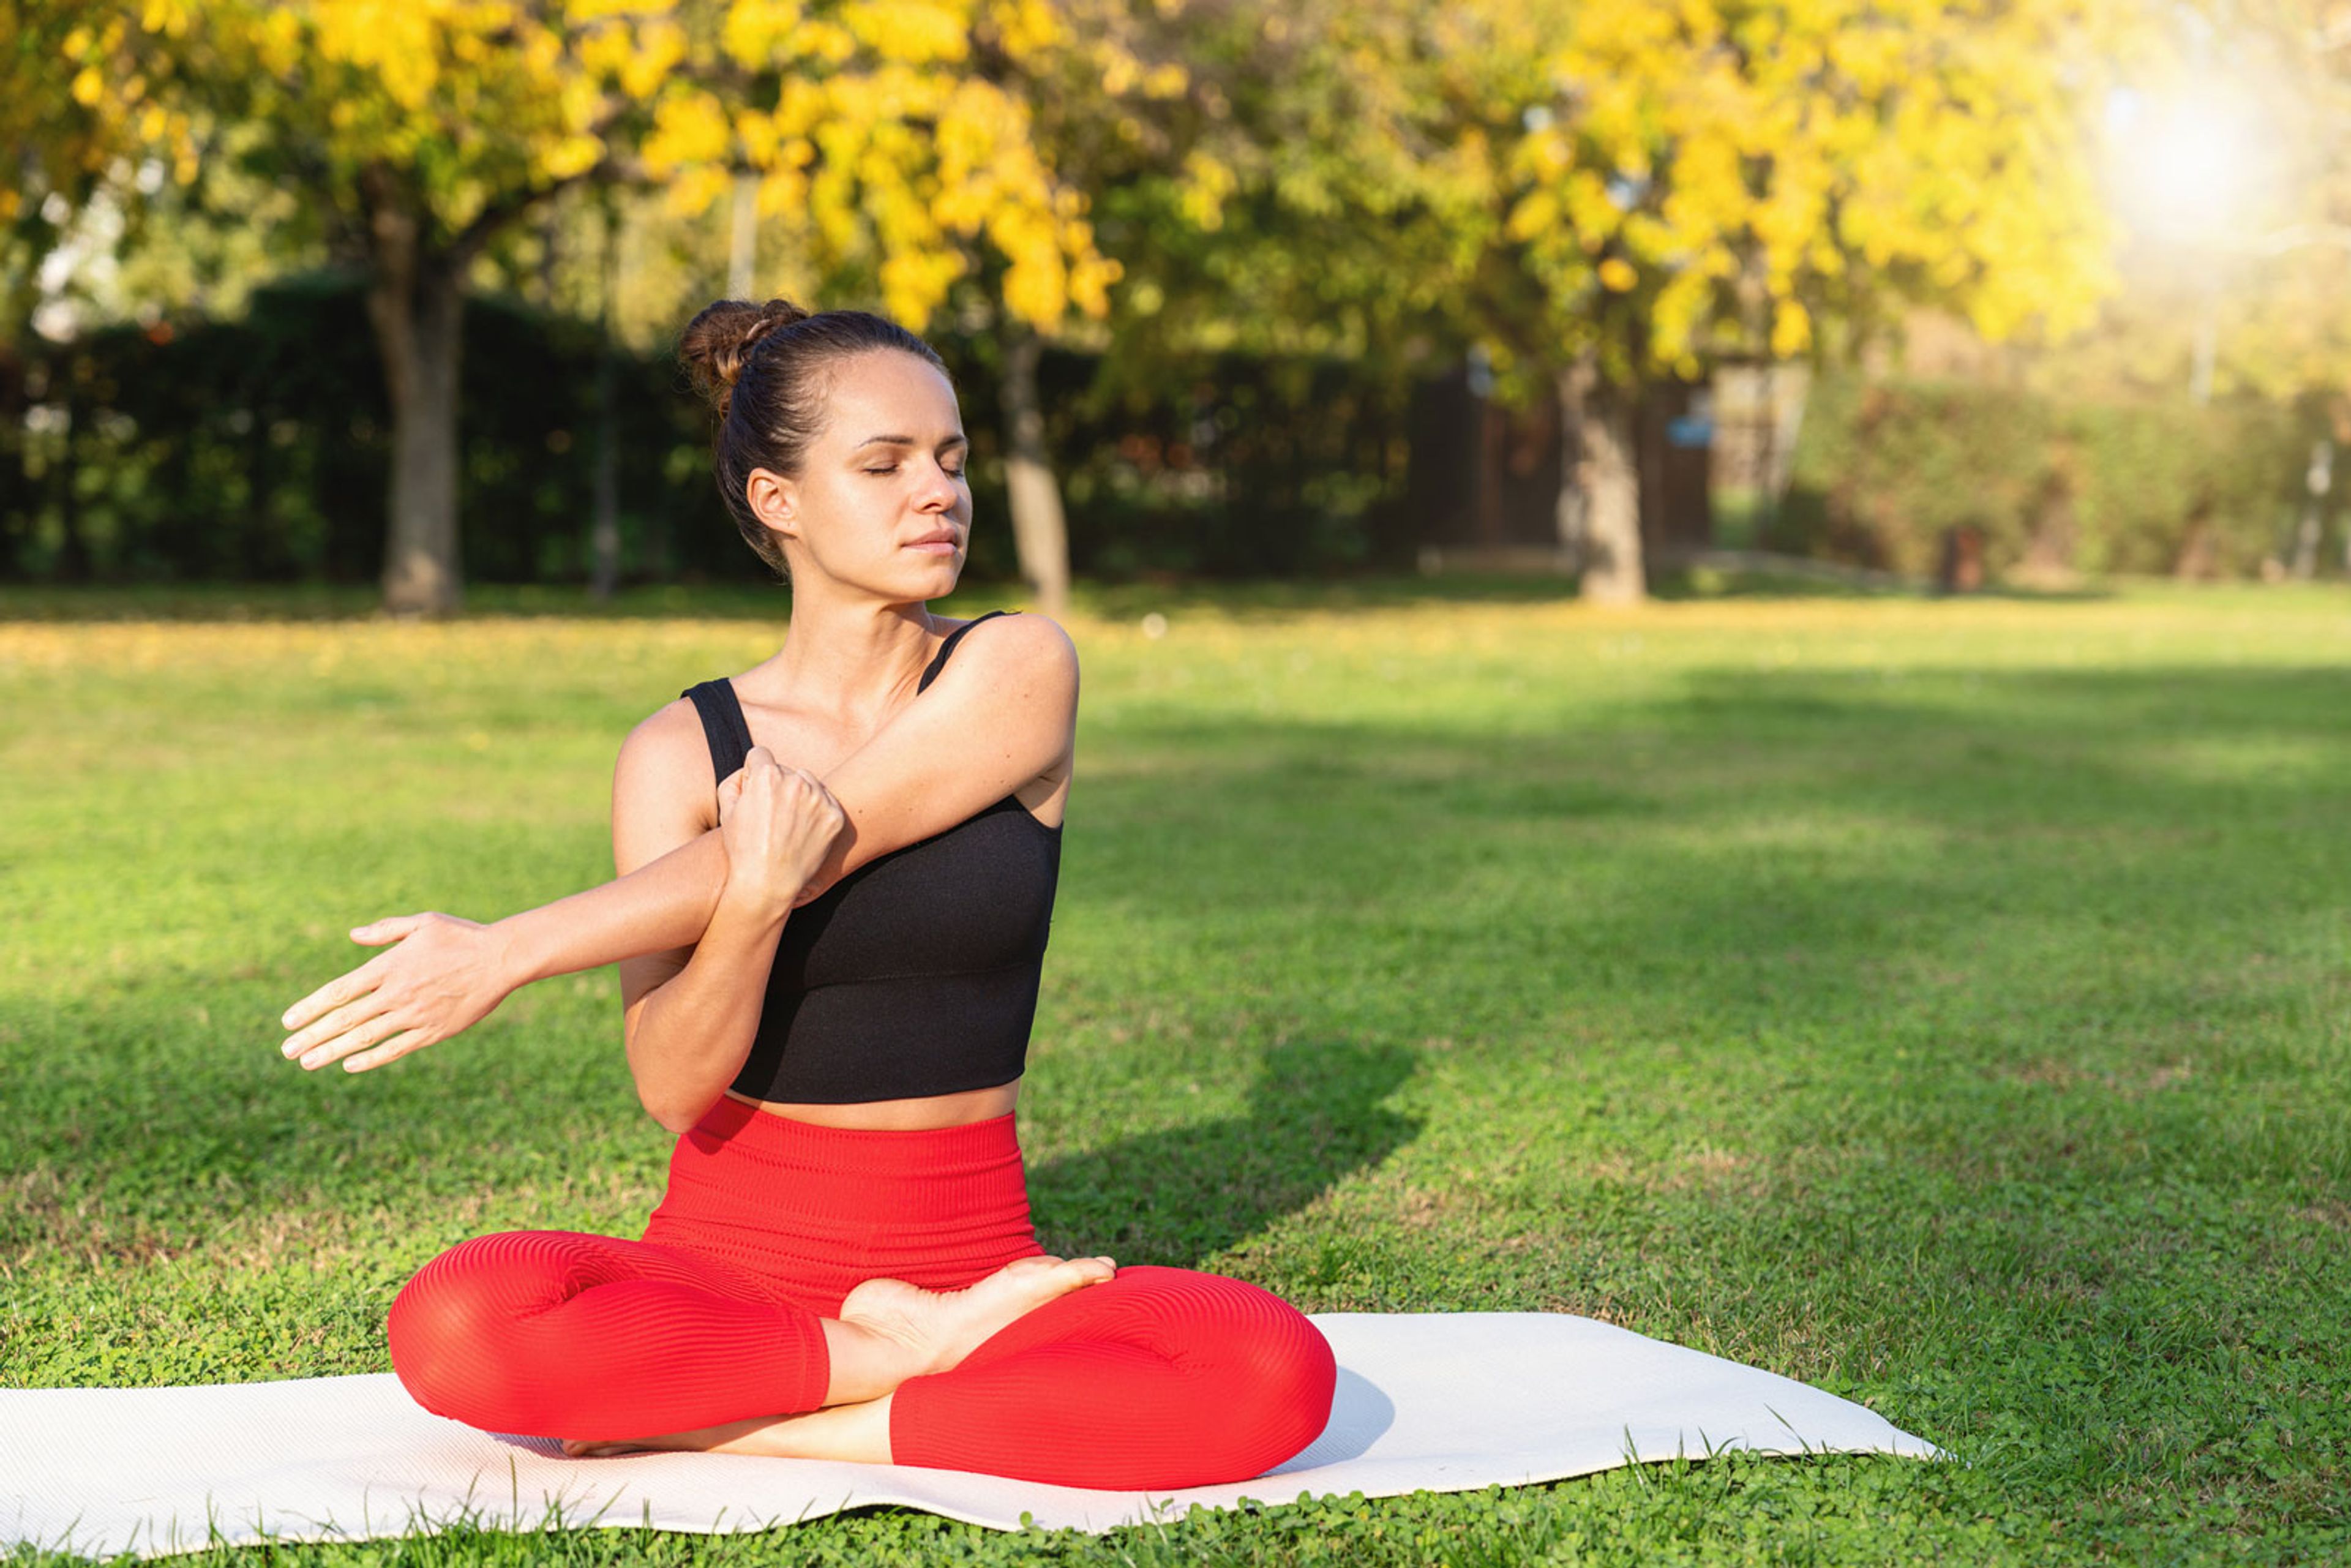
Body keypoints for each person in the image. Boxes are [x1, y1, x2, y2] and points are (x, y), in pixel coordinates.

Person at [274, 299, 1337, 1490]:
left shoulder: (1015, 667)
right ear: (779, 500)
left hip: (977, 1274)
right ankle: (891, 1366)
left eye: (949, 460)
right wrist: (751, 903)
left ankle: (760, 1416)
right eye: (882, 465)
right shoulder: (678, 751)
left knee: (1266, 1371)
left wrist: (504, 953)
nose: (936, 492)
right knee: (461, 1321)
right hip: (728, 1268)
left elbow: (840, 820)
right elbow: (674, 1088)